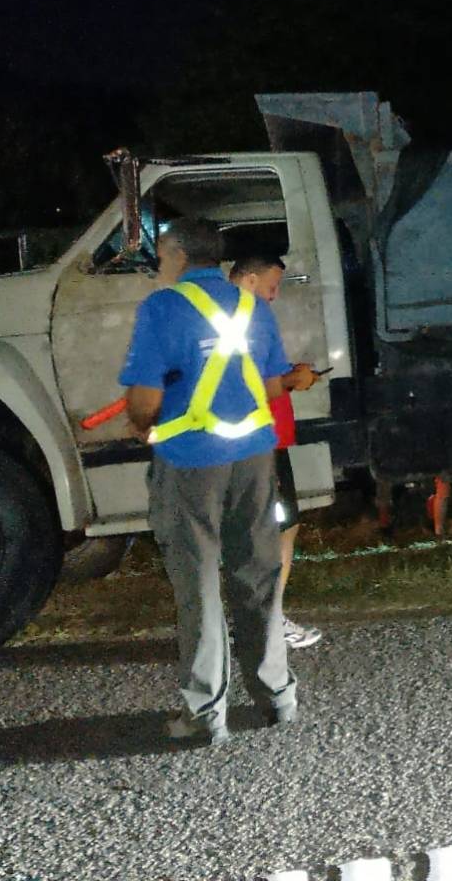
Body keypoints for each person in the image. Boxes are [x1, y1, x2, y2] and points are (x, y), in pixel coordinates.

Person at [119, 218, 296, 744]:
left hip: (191, 460)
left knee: (198, 582)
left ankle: (204, 713)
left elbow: (144, 402)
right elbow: (268, 385)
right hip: (254, 457)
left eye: (161, 252)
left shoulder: (163, 308)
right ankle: (277, 695)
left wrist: (141, 425)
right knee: (258, 573)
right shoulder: (252, 307)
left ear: (175, 253)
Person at [229, 255, 324, 648]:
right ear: (249, 280)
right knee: (275, 530)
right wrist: (291, 380)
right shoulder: (242, 321)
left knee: (279, 527)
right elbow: (247, 383)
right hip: (259, 442)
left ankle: (262, 617)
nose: (276, 294)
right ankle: (266, 622)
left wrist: (292, 375)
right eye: (272, 286)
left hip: (265, 440)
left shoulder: (240, 317)